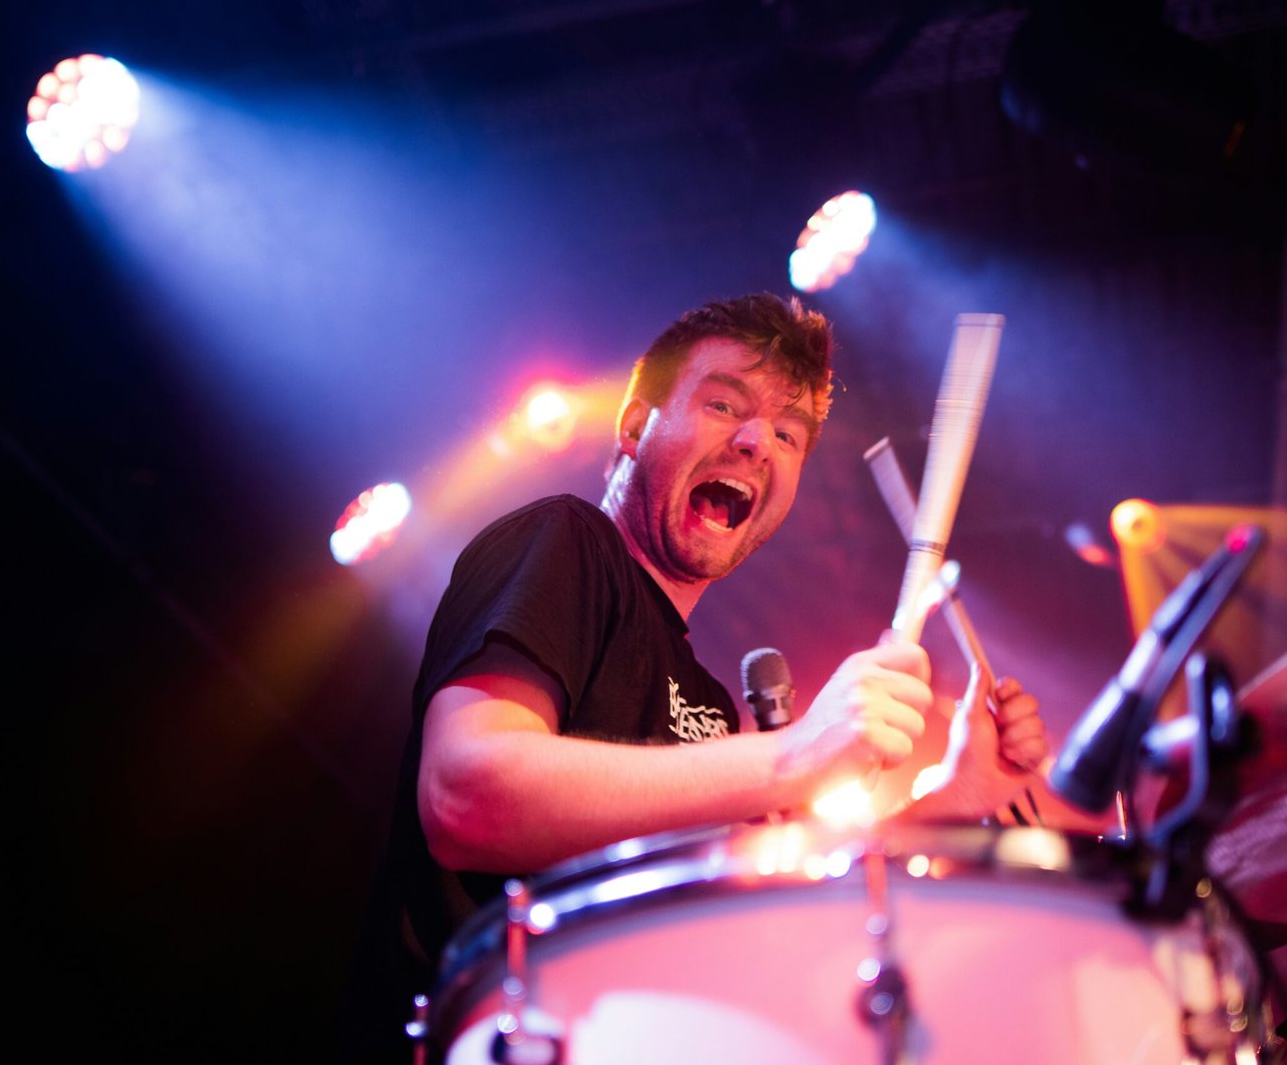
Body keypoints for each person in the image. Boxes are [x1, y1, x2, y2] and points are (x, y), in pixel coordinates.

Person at [339, 293, 1045, 1059]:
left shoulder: (704, 701)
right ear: (636, 427)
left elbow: (778, 918)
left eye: (788, 433)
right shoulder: (566, 541)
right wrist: (794, 754)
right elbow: (466, 794)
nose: (756, 444)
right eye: (722, 404)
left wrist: (954, 794)